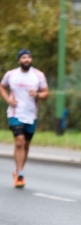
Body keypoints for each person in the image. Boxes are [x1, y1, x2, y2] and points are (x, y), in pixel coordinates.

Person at [0, 49, 49, 188]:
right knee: (19, 141)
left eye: (28, 57)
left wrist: (38, 95)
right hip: (15, 113)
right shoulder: (11, 74)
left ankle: (18, 170)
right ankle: (20, 174)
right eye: (23, 57)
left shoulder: (38, 75)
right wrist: (7, 98)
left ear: (31, 60)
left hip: (31, 115)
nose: (26, 60)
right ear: (19, 60)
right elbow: (2, 87)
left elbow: (46, 93)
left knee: (26, 144)